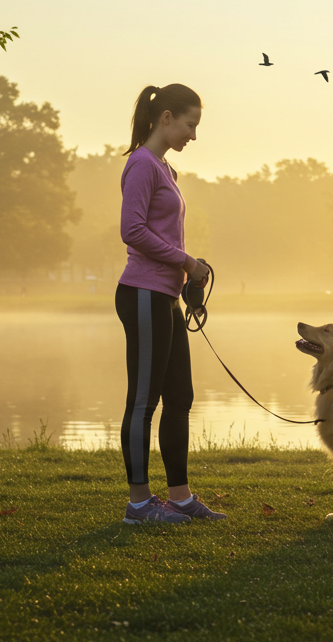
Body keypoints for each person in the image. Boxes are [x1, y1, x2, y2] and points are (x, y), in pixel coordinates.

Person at [114, 83, 225, 524]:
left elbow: (161, 234)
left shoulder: (164, 168)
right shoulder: (142, 164)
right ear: (166, 118)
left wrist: (186, 276)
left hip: (164, 295)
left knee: (180, 397)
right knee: (143, 400)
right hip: (141, 294)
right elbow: (133, 231)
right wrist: (186, 261)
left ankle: (179, 497)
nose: (192, 136)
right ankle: (139, 504)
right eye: (190, 124)